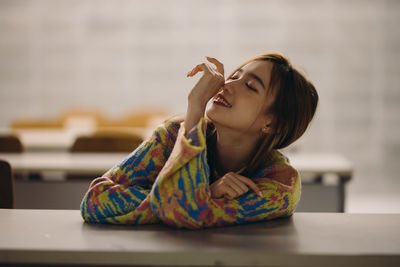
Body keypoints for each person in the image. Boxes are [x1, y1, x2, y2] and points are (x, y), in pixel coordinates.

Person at [80, 52, 318, 229]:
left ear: (273, 123)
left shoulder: (279, 184)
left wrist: (192, 198)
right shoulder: (174, 135)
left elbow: (182, 212)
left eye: (249, 85)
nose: (226, 85)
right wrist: (207, 193)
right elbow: (95, 200)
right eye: (234, 75)